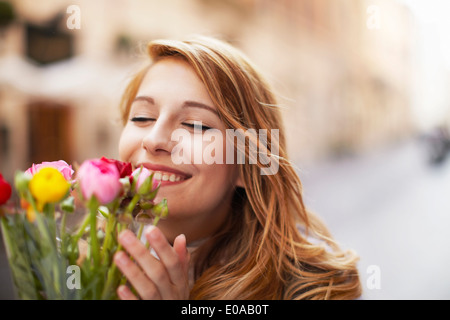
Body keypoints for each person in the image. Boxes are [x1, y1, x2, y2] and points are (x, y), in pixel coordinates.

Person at [113, 35, 362, 300]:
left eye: (195, 125)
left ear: (248, 164)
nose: (153, 140)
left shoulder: (316, 290)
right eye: (142, 117)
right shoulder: (84, 261)